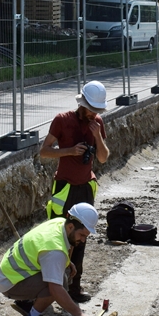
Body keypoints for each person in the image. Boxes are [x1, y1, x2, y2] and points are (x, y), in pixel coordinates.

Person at [38, 80, 110, 303]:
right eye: (90, 109)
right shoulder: (62, 120)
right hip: (64, 188)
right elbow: (44, 152)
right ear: (82, 104)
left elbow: (103, 157)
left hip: (85, 188)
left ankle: (74, 289)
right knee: (59, 236)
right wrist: (69, 151)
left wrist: (97, 136)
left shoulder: (97, 122)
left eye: (96, 111)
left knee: (81, 238)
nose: (93, 114)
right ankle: (51, 287)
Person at [0, 203, 98, 316]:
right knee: (60, 281)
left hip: (10, 272)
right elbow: (55, 289)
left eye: (86, 236)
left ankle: (27, 302)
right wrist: (79, 314)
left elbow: (64, 248)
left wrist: (67, 262)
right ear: (71, 226)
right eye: (82, 235)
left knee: (63, 271)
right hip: (10, 282)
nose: (83, 240)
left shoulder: (60, 223)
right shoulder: (55, 250)